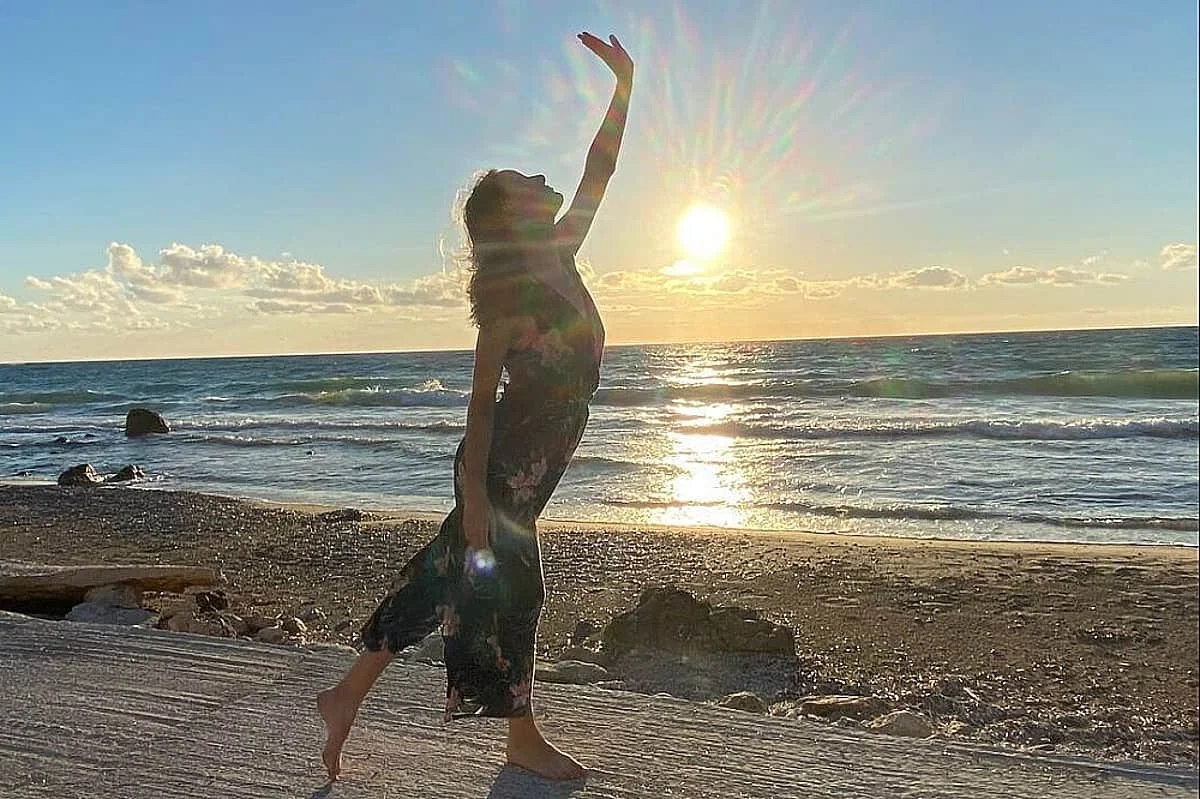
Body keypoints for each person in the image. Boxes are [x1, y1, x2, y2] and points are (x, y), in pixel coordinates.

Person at [317, 32, 633, 783]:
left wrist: (624, 85)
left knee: (438, 579)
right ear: (510, 214)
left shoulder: (560, 254)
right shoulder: (505, 300)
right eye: (528, 179)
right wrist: (477, 500)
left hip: (534, 457)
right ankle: (520, 738)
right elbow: (480, 409)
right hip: (502, 467)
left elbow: (600, 167)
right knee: (516, 590)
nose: (546, 178)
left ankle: (344, 696)